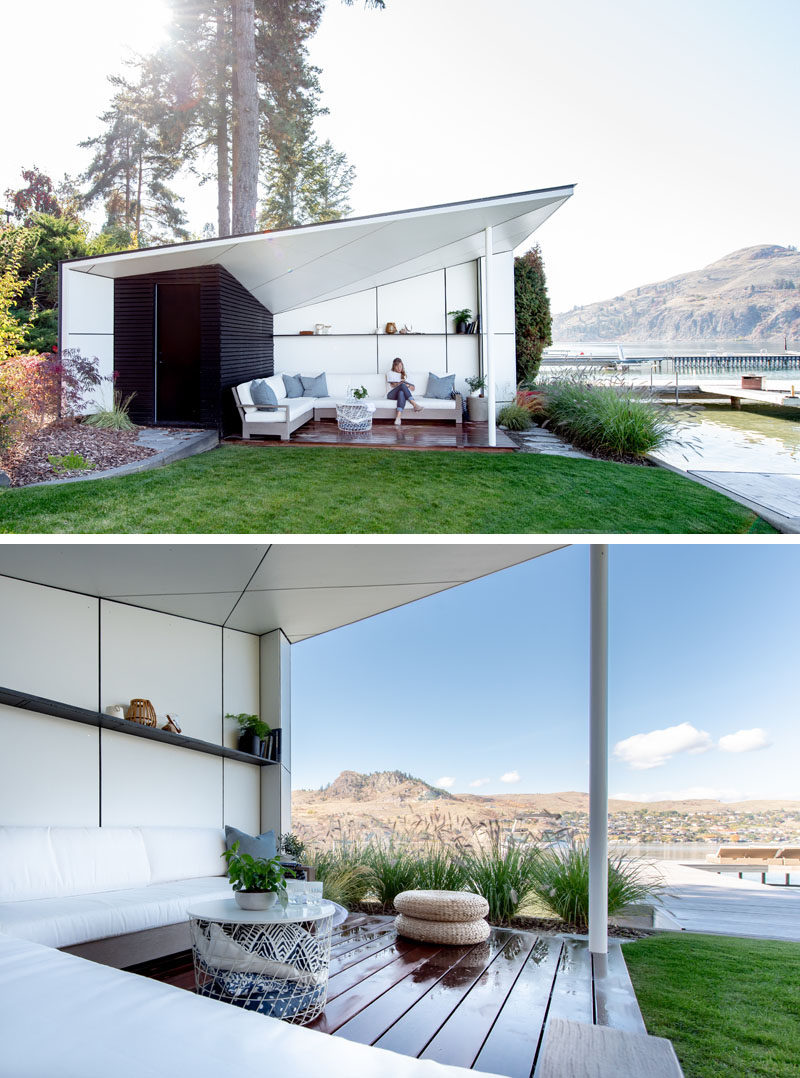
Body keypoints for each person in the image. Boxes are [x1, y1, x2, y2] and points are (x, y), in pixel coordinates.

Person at [386, 358, 423, 425]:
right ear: (393, 366)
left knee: (401, 393)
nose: (399, 368)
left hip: (402, 394)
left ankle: (398, 417)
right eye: (397, 366)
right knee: (402, 385)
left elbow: (413, 388)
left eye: (400, 366)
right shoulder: (390, 373)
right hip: (391, 394)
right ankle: (414, 404)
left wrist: (407, 385)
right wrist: (402, 383)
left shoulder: (406, 374)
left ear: (402, 366)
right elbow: (393, 385)